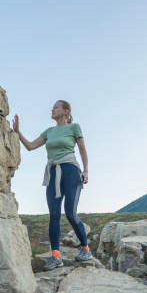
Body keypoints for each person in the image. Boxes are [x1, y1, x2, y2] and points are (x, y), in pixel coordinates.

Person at [12, 100, 92, 270]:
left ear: (65, 111)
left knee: (70, 213)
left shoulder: (74, 127)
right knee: (54, 215)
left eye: (55, 107)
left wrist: (85, 171)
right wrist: (18, 132)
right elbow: (30, 146)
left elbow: (83, 149)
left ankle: (85, 248)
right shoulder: (49, 131)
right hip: (53, 173)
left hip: (71, 171)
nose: (52, 109)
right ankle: (56, 256)